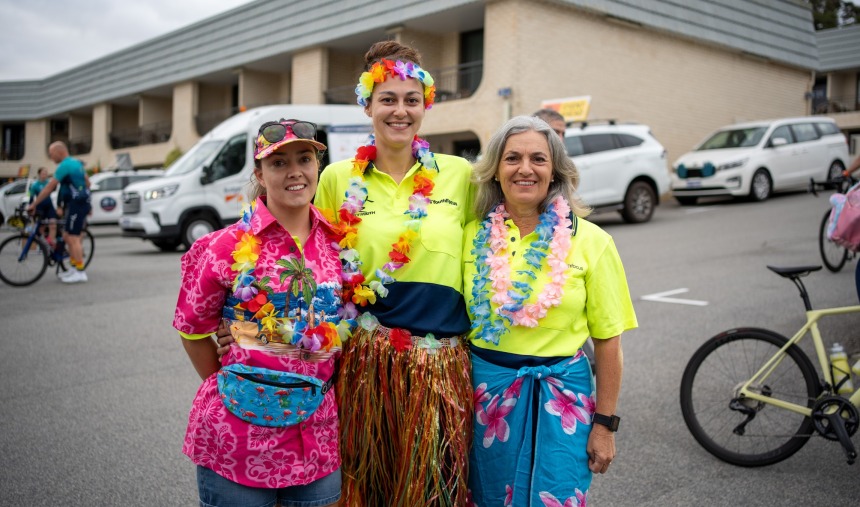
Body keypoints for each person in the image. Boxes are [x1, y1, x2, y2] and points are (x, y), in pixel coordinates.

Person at [314, 40, 476, 506]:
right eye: (387, 99)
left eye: (410, 99)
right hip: (366, 363)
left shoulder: (459, 175)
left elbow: (490, 253)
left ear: (425, 103)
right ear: (367, 104)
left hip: (442, 363)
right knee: (365, 485)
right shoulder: (337, 178)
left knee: (435, 486)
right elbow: (317, 264)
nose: (399, 111)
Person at [463, 115, 638, 506]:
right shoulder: (469, 236)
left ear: (555, 170)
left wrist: (605, 426)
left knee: (556, 496)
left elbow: (608, 341)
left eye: (538, 159)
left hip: (564, 398)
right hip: (485, 400)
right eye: (512, 158)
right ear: (495, 170)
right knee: (486, 497)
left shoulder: (594, 242)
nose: (525, 169)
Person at [174, 119, 347, 507]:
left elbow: (340, 324)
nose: (294, 172)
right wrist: (233, 377)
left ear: (318, 165)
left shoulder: (340, 245)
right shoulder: (222, 247)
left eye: (304, 158)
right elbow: (192, 328)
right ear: (259, 172)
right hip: (240, 440)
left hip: (316, 438)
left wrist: (250, 335)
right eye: (278, 162)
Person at [27, 142, 91, 283]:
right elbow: (88, 183)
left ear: (59, 152)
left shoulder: (65, 165)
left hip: (76, 205)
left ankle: (80, 272)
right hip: (78, 204)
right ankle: (74, 268)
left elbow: (49, 187)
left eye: (51, 154)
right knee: (67, 236)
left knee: (73, 238)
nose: (51, 157)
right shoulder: (76, 163)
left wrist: (34, 204)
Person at [28, 167, 58, 247]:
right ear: (39, 174)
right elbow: (31, 199)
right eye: (43, 173)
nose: (44, 175)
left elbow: (56, 190)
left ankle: (51, 243)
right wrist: (32, 207)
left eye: (46, 173)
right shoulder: (35, 185)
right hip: (40, 207)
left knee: (53, 225)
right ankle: (43, 245)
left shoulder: (49, 183)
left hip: (49, 205)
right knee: (41, 228)